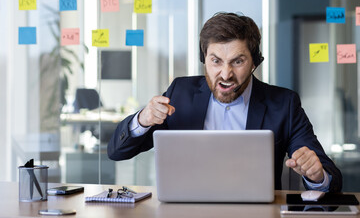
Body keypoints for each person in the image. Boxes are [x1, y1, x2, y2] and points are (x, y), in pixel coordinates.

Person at [108, 12, 342, 192]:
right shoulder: (181, 92)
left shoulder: (284, 104)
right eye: (216, 61)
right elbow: (117, 152)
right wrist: (143, 120)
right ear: (204, 59)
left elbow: (332, 179)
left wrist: (316, 175)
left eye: (237, 61)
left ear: (254, 62)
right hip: (185, 210)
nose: (226, 74)